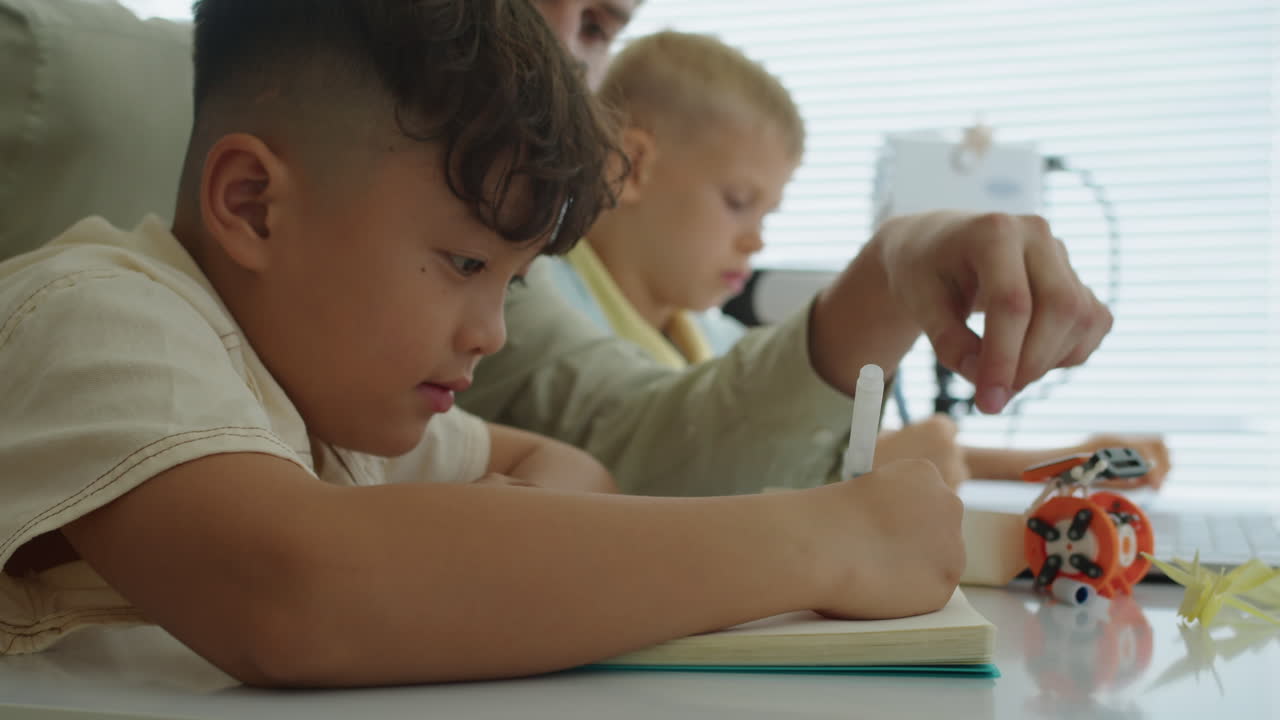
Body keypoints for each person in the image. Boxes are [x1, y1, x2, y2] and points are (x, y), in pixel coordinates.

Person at [0, 0, 965, 687]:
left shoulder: (314, 402)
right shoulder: (96, 318)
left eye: (514, 282)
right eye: (464, 264)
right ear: (253, 204)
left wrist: (504, 549)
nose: (492, 331)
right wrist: (828, 541)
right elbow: (296, 593)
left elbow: (567, 465)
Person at [458, 0, 1128, 498]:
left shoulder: (709, 333)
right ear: (633, 166)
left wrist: (1070, 458)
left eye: (601, 27)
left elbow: (775, 438)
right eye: (739, 202)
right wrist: (885, 274)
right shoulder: (514, 289)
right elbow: (655, 448)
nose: (757, 239)